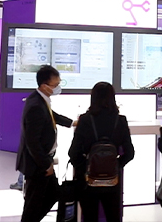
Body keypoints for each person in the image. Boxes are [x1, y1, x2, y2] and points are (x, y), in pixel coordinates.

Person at [69, 82, 135, 222]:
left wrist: (86, 168)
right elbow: (129, 153)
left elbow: (73, 153)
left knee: (89, 217)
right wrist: (116, 165)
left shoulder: (85, 120)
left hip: (88, 181)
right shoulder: (120, 120)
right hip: (113, 180)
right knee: (113, 217)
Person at [18, 65, 74, 222]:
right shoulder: (36, 106)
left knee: (50, 195)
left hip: (41, 161)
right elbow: (32, 141)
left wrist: (71, 123)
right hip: (37, 164)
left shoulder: (40, 100)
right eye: (55, 85)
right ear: (44, 86)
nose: (58, 88)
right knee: (35, 203)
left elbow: (52, 116)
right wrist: (45, 165)